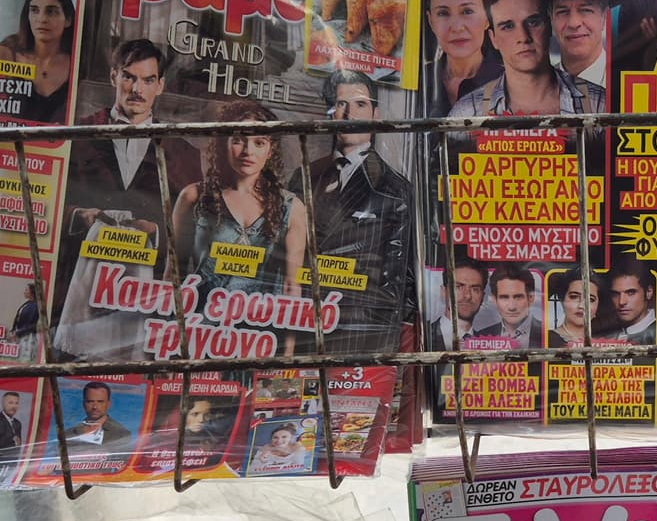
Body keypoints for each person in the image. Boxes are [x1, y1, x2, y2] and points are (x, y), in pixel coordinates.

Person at [55, 39, 203, 317]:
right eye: (129, 77)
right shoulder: (75, 134)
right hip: (75, 287)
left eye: (148, 80)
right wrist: (78, 216)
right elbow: (45, 202)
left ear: (160, 85)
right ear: (114, 77)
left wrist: (155, 232)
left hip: (145, 297)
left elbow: (195, 232)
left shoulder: (183, 153)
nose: (137, 90)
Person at [293, 69, 413, 347]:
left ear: (375, 114)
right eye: (341, 104)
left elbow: (397, 276)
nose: (349, 115)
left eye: (360, 104)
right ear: (331, 113)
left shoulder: (394, 189)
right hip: (299, 318)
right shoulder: (305, 176)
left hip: (357, 329)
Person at [171, 100, 305, 317]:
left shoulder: (292, 207)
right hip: (200, 323)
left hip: (260, 329)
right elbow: (173, 274)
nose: (248, 151)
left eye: (259, 142)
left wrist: (288, 341)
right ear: (224, 144)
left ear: (270, 150)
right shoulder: (194, 196)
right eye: (238, 141)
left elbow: (292, 287)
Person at [452, 0, 603, 118]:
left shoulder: (598, 104)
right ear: (493, 39)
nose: (523, 37)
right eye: (508, 26)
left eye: (533, 23)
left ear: (549, 26)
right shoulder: (467, 112)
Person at [0, 0, 77, 123]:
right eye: (35, 10)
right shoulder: (4, 55)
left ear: (68, 20)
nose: (42, 19)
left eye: (51, 12)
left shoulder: (77, 62)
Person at [422, 0, 502, 116]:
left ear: (487, 17)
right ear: (431, 21)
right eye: (443, 13)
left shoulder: (510, 81)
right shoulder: (419, 82)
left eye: (467, 11)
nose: (457, 27)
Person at [544, 0, 610, 101]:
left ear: (604, 16)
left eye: (585, 10)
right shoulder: (536, 88)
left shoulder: (625, 83)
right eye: (563, 11)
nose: (574, 23)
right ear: (551, 17)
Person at [471, 263, 540, 348]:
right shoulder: (481, 336)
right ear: (494, 300)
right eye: (504, 297)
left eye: (518, 297)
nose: (512, 307)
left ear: (531, 298)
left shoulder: (549, 336)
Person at [429, 255, 488, 350]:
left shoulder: (489, 343)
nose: (467, 296)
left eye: (475, 289)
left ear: (482, 297)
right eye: (458, 287)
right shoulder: (422, 336)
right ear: (443, 292)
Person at [600, 260, 657, 344]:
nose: (621, 302)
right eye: (615, 294)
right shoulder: (606, 333)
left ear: (649, 292)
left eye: (630, 293)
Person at [65, 381, 132, 450]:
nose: (95, 407)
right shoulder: (68, 434)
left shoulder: (121, 434)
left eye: (100, 402)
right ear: (83, 403)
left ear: (109, 404)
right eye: (90, 401)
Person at [548, 271, 597, 347]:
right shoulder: (546, 340)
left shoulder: (609, 341)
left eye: (590, 299)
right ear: (562, 301)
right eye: (574, 297)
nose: (581, 306)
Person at [0, 391, 25, 458]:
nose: (14, 406)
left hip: (14, 461)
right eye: (10, 403)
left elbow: (18, 446)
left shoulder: (18, 424)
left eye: (16, 403)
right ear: (3, 404)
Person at [12, 284, 41, 360]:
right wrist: (14, 330)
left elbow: (32, 324)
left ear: (32, 292)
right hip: (21, 335)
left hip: (28, 337)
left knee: (25, 358)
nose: (24, 292)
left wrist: (19, 332)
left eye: (26, 290)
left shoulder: (35, 306)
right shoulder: (28, 304)